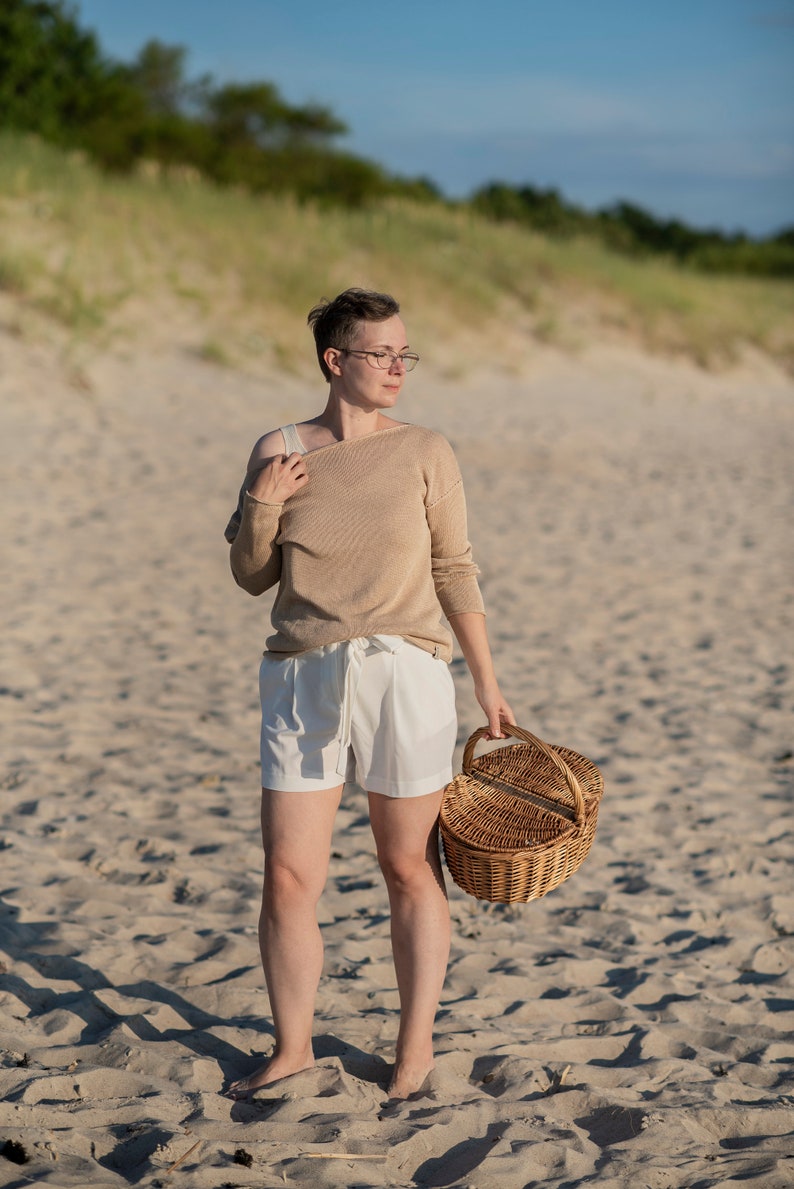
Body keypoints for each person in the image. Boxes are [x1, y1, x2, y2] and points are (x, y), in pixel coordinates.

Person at [223, 288, 513, 1100]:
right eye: (381, 353)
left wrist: (486, 682)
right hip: (302, 674)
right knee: (287, 874)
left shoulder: (426, 449)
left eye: (403, 354)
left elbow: (455, 566)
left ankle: (414, 1047)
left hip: (406, 672)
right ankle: (292, 1047)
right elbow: (251, 576)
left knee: (409, 867)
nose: (397, 367)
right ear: (334, 360)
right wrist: (262, 502)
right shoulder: (279, 447)